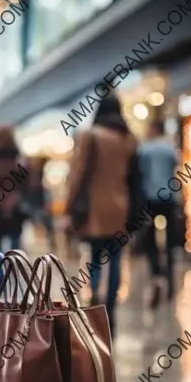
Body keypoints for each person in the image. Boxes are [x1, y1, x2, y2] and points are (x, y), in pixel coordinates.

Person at [66, 94, 142, 336]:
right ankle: (111, 311)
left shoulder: (91, 136)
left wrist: (69, 203)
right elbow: (135, 177)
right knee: (117, 260)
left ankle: (95, 306)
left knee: (96, 257)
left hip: (95, 207)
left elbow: (79, 173)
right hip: (122, 206)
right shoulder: (128, 140)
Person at [138, 119, 180, 306]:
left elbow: (140, 174)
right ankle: (170, 276)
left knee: (150, 238)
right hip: (169, 198)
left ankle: (157, 273)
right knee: (171, 240)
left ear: (153, 129)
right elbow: (175, 172)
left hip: (150, 198)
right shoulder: (170, 149)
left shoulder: (145, 149)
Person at [28, 157, 56, 253]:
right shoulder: (35, 179)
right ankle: (42, 245)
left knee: (42, 225)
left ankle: (43, 245)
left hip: (38, 204)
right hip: (38, 204)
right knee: (41, 225)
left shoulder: (36, 178)